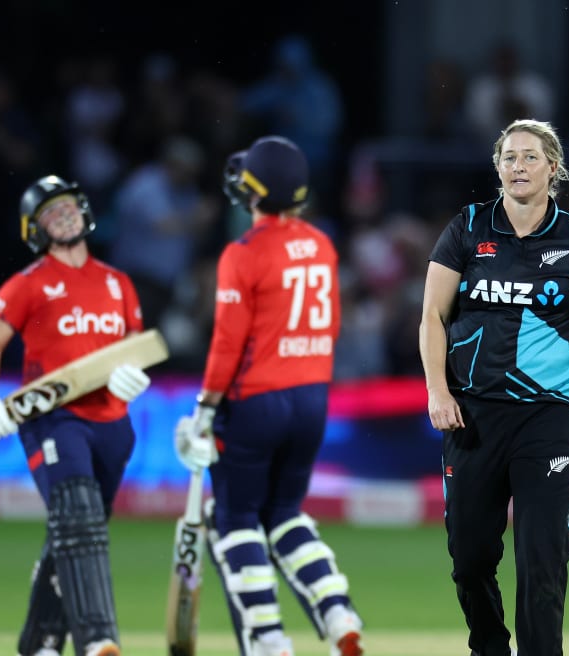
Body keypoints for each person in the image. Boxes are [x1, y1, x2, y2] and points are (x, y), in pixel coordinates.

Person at [418, 119, 569, 656]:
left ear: (553, 168)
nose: (518, 166)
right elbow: (431, 314)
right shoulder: (468, 228)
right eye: (509, 157)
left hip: (550, 416)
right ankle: (490, 647)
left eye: (530, 157)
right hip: (473, 414)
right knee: (469, 559)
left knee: (542, 561)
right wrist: (437, 391)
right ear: (498, 167)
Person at [172, 136, 364, 656]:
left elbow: (227, 341)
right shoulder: (323, 244)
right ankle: (336, 611)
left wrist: (205, 409)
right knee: (284, 514)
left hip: (258, 399)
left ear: (254, 190)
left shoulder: (243, 253)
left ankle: (268, 637)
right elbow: (333, 326)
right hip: (311, 399)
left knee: (235, 519)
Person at [0, 174, 151, 656]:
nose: (62, 215)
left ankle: (40, 644)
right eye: (50, 212)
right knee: (79, 521)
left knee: (76, 532)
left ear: (84, 210)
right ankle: (98, 639)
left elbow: (134, 346)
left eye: (67, 206)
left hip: (113, 424)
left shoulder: (118, 283)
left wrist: (135, 373)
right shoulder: (27, 285)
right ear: (35, 228)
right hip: (53, 419)